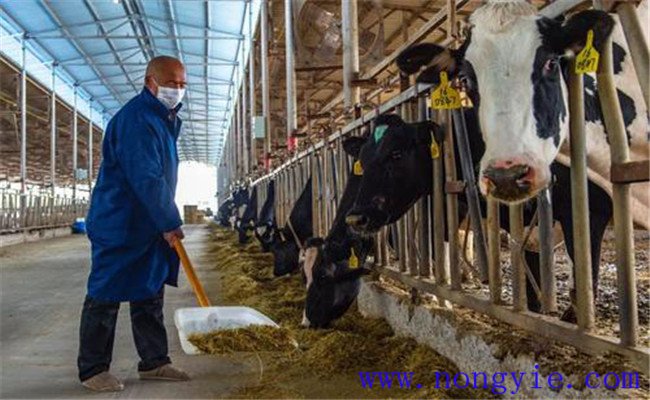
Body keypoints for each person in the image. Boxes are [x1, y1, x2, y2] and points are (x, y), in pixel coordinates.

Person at [78, 55, 190, 392]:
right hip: (121, 221)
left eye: (183, 84)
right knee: (105, 293)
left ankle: (154, 362)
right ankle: (93, 369)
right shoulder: (137, 120)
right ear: (151, 82)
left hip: (147, 222)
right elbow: (147, 177)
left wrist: (161, 220)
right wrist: (169, 220)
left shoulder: (162, 118)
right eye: (172, 83)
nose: (178, 90)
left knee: (149, 290)